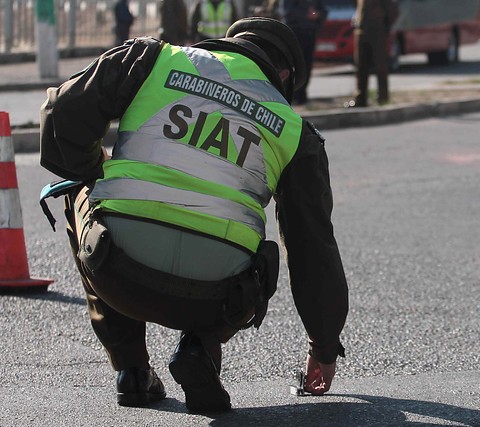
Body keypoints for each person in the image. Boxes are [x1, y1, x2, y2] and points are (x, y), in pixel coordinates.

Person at [39, 17, 349, 413]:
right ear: (284, 75)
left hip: (116, 270)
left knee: (78, 188)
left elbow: (60, 113)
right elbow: (313, 249)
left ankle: (132, 371)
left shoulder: (154, 59)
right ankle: (199, 348)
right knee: (252, 247)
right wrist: (323, 347)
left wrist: (91, 170)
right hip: (218, 299)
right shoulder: (295, 131)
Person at [345, 0, 396, 108]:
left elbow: (392, 10)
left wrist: (385, 27)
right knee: (361, 67)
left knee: (380, 65)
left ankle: (383, 98)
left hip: (377, 31)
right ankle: (361, 99)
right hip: (361, 30)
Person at [282, 0, 327, 105]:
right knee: (293, 66)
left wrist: (317, 14)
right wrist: (306, 14)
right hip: (295, 33)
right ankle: (292, 95)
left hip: (310, 32)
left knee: (307, 65)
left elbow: (323, 11)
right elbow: (288, 12)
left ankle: (302, 95)